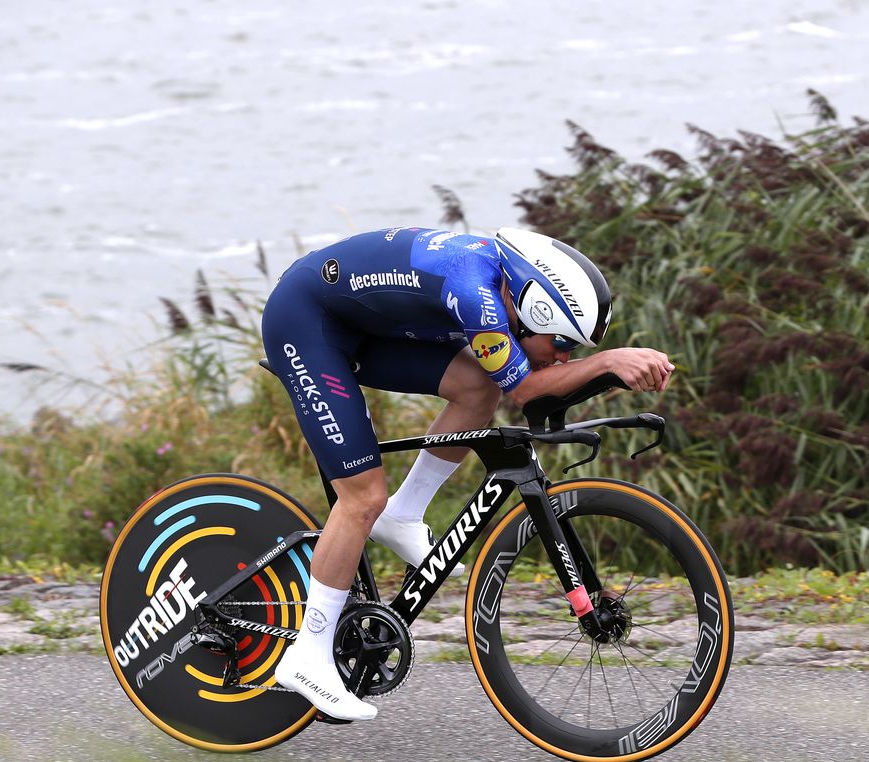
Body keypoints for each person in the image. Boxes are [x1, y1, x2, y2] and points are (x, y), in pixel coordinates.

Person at [260, 226, 674, 720]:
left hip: (363, 323)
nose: (564, 356)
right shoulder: (474, 294)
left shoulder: (502, 289)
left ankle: (402, 517)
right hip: (307, 320)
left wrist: (602, 366)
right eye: (562, 342)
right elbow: (528, 392)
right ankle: (308, 655)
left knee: (479, 389)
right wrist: (607, 362)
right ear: (530, 308)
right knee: (361, 497)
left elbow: (521, 381)